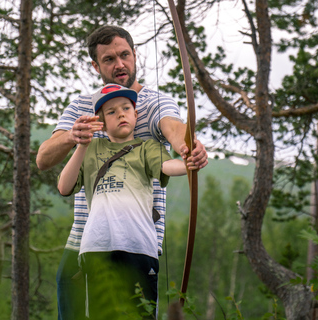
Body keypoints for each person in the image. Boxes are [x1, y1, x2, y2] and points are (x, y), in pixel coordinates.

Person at [36, 25, 208, 320]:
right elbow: (43, 158)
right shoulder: (82, 106)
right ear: (95, 65)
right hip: (88, 239)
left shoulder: (153, 103)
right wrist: (71, 136)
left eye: (124, 55)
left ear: (134, 54)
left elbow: (174, 129)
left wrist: (187, 147)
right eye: (109, 59)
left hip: (136, 240)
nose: (119, 65)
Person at [58, 84, 191, 318]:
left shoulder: (148, 147)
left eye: (126, 108)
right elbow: (64, 186)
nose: (120, 114)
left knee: (142, 313)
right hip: (97, 247)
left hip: (139, 247)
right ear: (102, 122)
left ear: (136, 114)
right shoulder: (91, 149)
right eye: (111, 112)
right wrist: (81, 145)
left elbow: (167, 166)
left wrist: (189, 163)